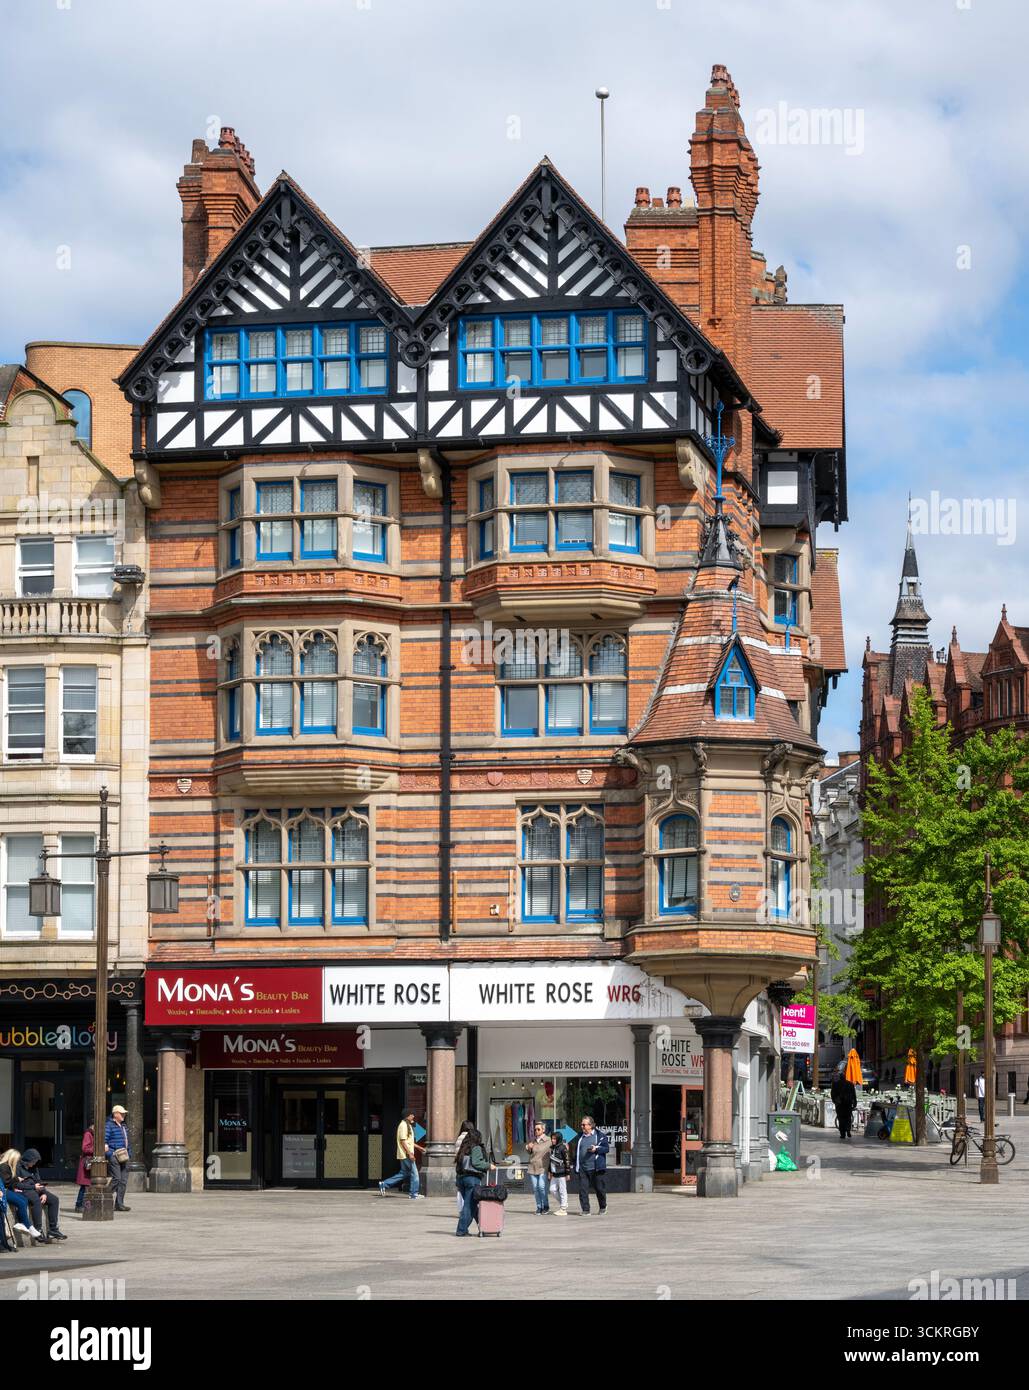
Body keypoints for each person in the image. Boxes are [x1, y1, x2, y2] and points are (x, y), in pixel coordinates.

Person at [14, 1149, 67, 1241]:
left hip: (37, 1188)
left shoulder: (34, 1168)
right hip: (25, 1190)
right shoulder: (18, 1168)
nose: (34, 1163)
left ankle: (53, 1230)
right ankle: (38, 1229)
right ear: (27, 1159)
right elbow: (16, 1184)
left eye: (35, 1161)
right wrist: (33, 1187)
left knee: (54, 1199)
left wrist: (43, 1193)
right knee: (36, 1200)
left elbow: (39, 1181)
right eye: (33, 1161)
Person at [379, 1112, 424, 1199]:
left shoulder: (408, 1125)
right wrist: (410, 1154)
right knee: (415, 1174)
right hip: (406, 1154)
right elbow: (403, 1141)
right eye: (412, 1115)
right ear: (408, 1115)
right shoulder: (403, 1125)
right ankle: (414, 1194)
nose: (413, 1117)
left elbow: (409, 1141)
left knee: (404, 1173)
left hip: (405, 1154)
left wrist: (420, 1148)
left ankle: (384, 1184)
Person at [454, 1126, 489, 1236]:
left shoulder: (463, 1149)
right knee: (469, 1206)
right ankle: (461, 1230)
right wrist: (489, 1165)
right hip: (472, 1179)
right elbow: (477, 1163)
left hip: (461, 1179)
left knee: (472, 1205)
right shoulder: (476, 1148)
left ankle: (485, 1227)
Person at [0, 1149, 41, 1241]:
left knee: (24, 1199)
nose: (18, 1161)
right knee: (21, 1202)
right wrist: (17, 1180)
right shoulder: (3, 1166)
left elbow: (9, 1181)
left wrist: (16, 1182)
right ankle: (28, 1226)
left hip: (7, 1189)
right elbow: (6, 1182)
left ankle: (22, 1223)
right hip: (3, 1190)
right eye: (17, 1159)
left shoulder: (7, 1166)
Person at [572, 1116, 609, 1215]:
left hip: (596, 1168)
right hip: (583, 1168)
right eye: (581, 1124)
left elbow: (606, 1149)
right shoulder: (580, 1136)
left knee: (599, 1189)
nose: (582, 1126)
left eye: (584, 1125)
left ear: (591, 1125)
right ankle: (586, 1210)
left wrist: (596, 1149)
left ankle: (603, 1206)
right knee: (583, 1190)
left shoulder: (600, 1136)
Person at [104, 1104, 132, 1213]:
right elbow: (104, 1143)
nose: (124, 1115)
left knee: (123, 1181)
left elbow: (127, 1141)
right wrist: (111, 1154)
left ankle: (119, 1204)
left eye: (124, 1113)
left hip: (124, 1156)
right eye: (121, 1113)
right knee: (116, 1179)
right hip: (115, 1156)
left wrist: (129, 1152)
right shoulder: (109, 1125)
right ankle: (105, 1198)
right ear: (115, 1114)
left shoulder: (124, 1126)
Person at [526, 1121, 551, 1214]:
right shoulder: (533, 1140)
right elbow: (530, 1153)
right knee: (535, 1189)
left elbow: (555, 1146)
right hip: (533, 1167)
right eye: (535, 1129)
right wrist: (528, 1147)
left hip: (543, 1167)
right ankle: (539, 1207)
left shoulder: (548, 1140)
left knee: (541, 1187)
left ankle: (545, 1206)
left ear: (543, 1130)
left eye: (538, 1129)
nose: (536, 1131)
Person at [453, 1118, 474, 1215]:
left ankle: (461, 1210)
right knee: (469, 1189)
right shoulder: (470, 1137)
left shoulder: (458, 1138)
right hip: (468, 1167)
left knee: (460, 1190)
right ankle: (467, 1209)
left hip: (459, 1166)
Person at [548, 1131, 570, 1215]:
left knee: (562, 1190)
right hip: (554, 1173)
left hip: (562, 1173)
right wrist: (550, 1172)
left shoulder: (563, 1148)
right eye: (552, 1138)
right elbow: (551, 1161)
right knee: (552, 1190)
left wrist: (568, 1173)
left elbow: (567, 1160)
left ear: (558, 1139)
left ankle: (563, 1209)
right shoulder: (552, 1148)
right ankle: (563, 1204)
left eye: (554, 1139)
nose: (553, 1140)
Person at [75, 1125, 95, 1212]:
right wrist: (97, 1148)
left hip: (90, 1162)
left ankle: (81, 1204)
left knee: (86, 1185)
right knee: (85, 1185)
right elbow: (85, 1148)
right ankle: (79, 1205)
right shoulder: (88, 1133)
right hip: (87, 1162)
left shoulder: (93, 1134)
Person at [830, 1075, 857, 1140]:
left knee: (841, 1118)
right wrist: (855, 1103)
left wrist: (835, 1101)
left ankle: (842, 1134)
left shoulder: (835, 1084)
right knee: (848, 1117)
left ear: (840, 1078)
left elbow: (832, 1094)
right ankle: (848, 1130)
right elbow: (854, 1095)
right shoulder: (850, 1084)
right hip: (848, 1103)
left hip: (839, 1104)